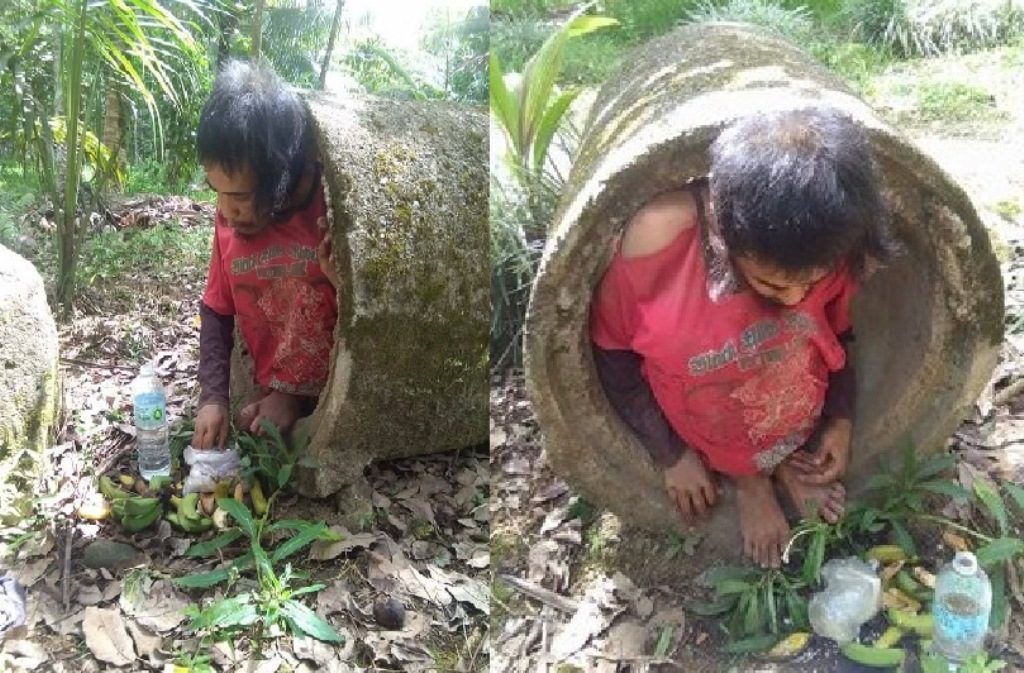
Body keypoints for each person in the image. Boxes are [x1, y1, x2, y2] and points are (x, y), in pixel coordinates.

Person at [590, 106, 897, 568]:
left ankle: (787, 461)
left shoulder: (836, 235)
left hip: (789, 403)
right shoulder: (658, 237)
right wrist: (670, 455)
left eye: (811, 284)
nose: (796, 299)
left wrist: (839, 418)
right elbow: (612, 350)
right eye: (772, 284)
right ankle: (750, 481)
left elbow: (836, 332)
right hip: (703, 415)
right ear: (724, 236)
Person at [190, 60, 339, 451]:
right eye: (215, 190)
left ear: (278, 177)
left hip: (327, 386)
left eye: (239, 196)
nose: (224, 210)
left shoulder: (329, 209)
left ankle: (291, 397)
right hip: (265, 378)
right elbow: (216, 309)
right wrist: (213, 398)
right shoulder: (227, 221)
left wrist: (344, 282)